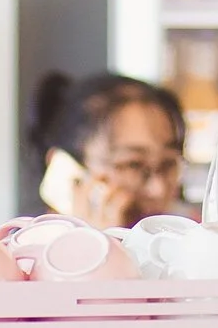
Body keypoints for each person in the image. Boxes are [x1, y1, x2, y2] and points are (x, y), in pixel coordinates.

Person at [29, 71, 190, 229]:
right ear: (64, 169)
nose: (158, 190)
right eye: (133, 165)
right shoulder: (18, 251)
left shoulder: (188, 240)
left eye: (168, 164)